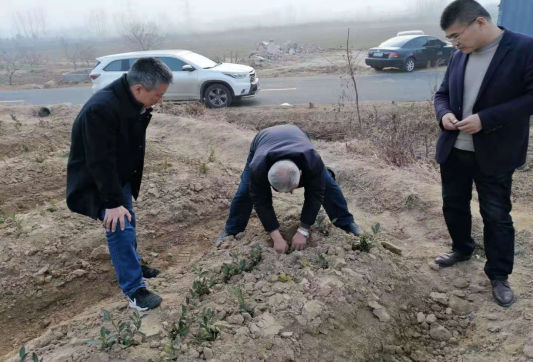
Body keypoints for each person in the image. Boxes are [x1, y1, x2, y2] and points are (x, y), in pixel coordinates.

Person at [434, 0, 533, 307]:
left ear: (479, 23)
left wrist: (486, 119)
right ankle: (462, 248)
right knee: (454, 205)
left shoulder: (524, 49)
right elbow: (442, 95)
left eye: (455, 35)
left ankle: (499, 275)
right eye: (450, 38)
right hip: (455, 150)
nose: (454, 42)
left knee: (496, 215)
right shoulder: (458, 57)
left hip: (496, 152)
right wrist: (444, 114)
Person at [66, 58, 173, 311]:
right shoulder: (101, 108)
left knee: (129, 220)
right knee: (120, 224)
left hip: (117, 175)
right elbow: (99, 161)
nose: (160, 100)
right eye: (157, 95)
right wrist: (112, 203)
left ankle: (134, 264)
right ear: (138, 89)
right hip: (96, 182)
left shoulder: (130, 99)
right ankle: (134, 291)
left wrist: (145, 111)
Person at [215, 124, 363, 253]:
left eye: (292, 189)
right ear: (267, 177)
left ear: (300, 173)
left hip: (298, 137)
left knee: (327, 185)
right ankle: (232, 230)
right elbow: (260, 201)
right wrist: (276, 237)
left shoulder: (312, 160)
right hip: (263, 141)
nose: (288, 194)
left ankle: (345, 222)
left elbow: (315, 195)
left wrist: (303, 230)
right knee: (245, 191)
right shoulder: (257, 168)